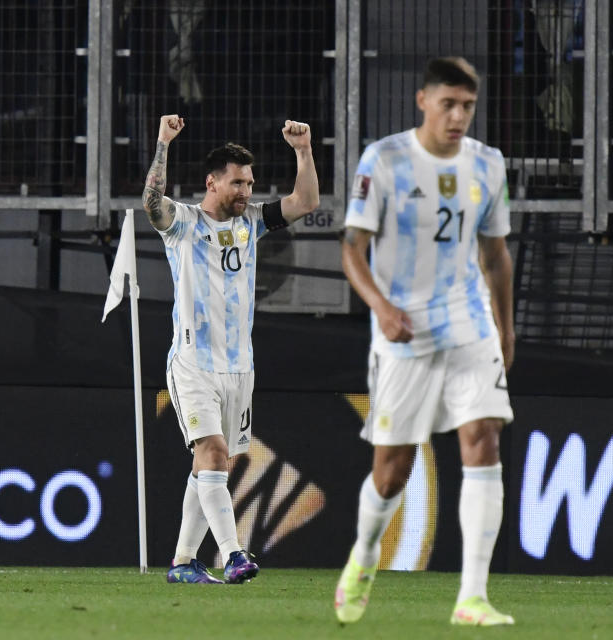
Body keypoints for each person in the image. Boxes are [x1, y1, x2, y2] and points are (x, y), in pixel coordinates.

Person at [335, 57, 515, 626]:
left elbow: (495, 255)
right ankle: (363, 556)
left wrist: (506, 328)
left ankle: (473, 597)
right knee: (393, 470)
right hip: (404, 331)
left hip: (468, 323)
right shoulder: (384, 159)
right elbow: (351, 250)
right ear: (423, 101)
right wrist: (382, 307)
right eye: (448, 105)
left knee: (483, 439)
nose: (458, 116)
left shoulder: (488, 164)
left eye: (467, 106)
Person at [143, 114, 319, 584]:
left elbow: (306, 201)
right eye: (238, 182)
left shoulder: (254, 223)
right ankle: (234, 553)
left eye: (250, 182)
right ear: (212, 182)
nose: (246, 190)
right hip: (193, 363)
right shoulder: (183, 223)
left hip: (240, 367)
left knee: (209, 464)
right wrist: (163, 143)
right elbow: (151, 204)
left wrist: (302, 150)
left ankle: (183, 562)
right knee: (214, 452)